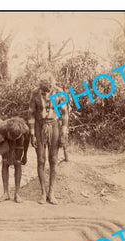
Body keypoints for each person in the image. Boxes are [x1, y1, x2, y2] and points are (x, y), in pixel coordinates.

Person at [28, 73, 69, 204]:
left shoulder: (59, 92)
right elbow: (31, 114)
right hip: (40, 126)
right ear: (40, 87)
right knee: (41, 160)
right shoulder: (35, 93)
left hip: (54, 125)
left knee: (53, 159)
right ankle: (42, 193)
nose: (46, 93)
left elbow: (65, 113)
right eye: (43, 90)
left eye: (48, 90)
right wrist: (33, 133)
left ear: (52, 86)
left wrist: (63, 131)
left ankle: (51, 193)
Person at [0, 117, 30, 203]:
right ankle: (5, 193)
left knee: (17, 163)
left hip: (20, 142)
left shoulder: (25, 129)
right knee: (5, 163)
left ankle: (17, 194)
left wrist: (25, 155)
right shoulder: (2, 127)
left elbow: (26, 141)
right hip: (6, 140)